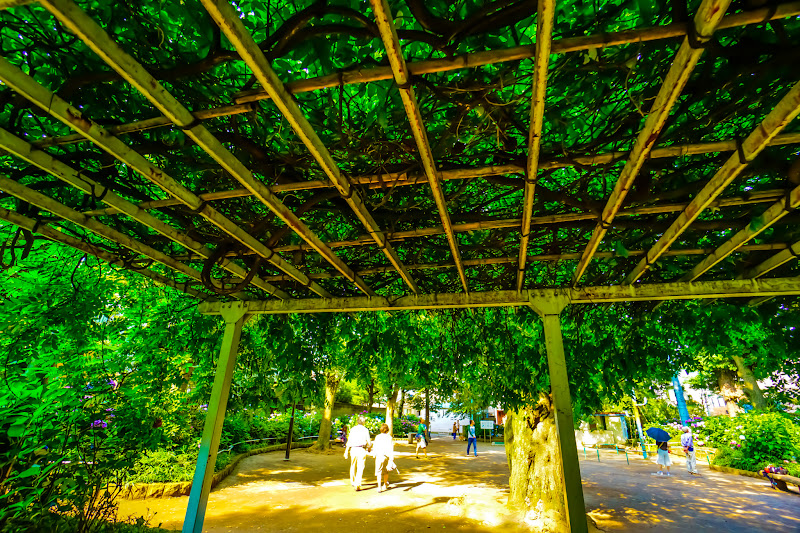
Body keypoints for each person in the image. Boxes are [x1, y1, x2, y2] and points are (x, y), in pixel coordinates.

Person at [344, 416, 370, 490]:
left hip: (353, 449)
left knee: (353, 465)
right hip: (361, 449)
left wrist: (346, 451)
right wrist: (369, 447)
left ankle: (353, 481)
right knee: (360, 466)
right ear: (364, 422)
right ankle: (358, 483)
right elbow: (368, 441)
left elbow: (349, 441)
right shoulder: (365, 430)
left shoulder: (353, 429)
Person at [372, 423, 395, 492]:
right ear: (387, 430)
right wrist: (391, 458)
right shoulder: (389, 437)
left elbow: (375, 446)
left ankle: (379, 487)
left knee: (378, 471)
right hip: (386, 456)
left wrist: (374, 454)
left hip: (379, 455)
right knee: (385, 471)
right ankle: (385, 484)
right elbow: (391, 448)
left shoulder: (377, 437)